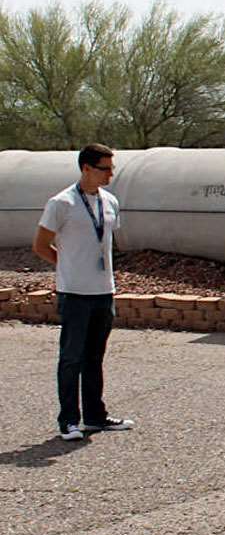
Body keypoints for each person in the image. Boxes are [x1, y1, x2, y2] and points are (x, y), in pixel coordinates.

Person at [32, 144, 135, 440]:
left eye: (112, 169)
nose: (110, 174)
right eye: (105, 168)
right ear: (86, 168)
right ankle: (68, 420)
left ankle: (95, 417)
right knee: (71, 358)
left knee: (94, 357)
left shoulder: (110, 201)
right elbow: (40, 245)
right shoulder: (61, 203)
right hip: (74, 293)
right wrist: (66, 266)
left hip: (104, 292)